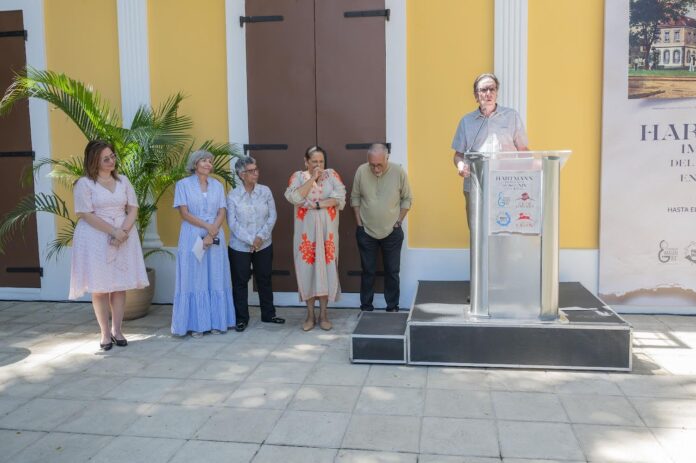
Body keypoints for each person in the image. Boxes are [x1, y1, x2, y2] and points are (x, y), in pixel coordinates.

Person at [69, 140, 149, 351]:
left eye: (112, 156)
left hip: (124, 234)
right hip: (95, 238)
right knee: (101, 287)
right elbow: (86, 214)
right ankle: (104, 333)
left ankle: (117, 330)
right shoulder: (84, 184)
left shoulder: (123, 181)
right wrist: (113, 231)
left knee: (119, 286)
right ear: (94, 160)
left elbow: (133, 208)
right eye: (106, 158)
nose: (111, 161)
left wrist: (123, 231)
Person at [171, 150, 235, 337]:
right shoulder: (183, 185)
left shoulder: (217, 185)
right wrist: (207, 227)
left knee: (215, 275)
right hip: (192, 234)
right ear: (195, 164)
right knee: (195, 277)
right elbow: (184, 213)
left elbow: (222, 211)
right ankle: (197, 324)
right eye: (204, 161)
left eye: (210, 161)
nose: (208, 164)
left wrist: (213, 229)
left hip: (215, 235)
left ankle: (217, 322)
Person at [452, 73, 528, 225]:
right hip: (476, 185)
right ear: (476, 94)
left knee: (506, 229)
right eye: (484, 89)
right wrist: (461, 166)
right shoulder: (467, 121)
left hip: (507, 185)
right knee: (478, 230)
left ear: (496, 93)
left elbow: (524, 151)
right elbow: (458, 155)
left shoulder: (511, 116)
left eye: (492, 89)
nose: (488, 93)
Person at [285, 146, 346, 331]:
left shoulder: (332, 175)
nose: (318, 165)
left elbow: (339, 198)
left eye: (321, 161)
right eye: (314, 162)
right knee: (308, 271)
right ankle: (310, 314)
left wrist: (317, 204)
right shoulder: (297, 177)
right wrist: (312, 179)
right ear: (306, 161)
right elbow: (294, 197)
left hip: (328, 234)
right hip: (306, 236)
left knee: (327, 270)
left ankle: (324, 314)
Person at [351, 143, 412, 313]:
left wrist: (398, 221)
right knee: (367, 271)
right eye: (372, 165)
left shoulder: (398, 172)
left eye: (380, 164)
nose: (376, 169)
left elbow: (407, 199)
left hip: (392, 231)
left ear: (387, 158)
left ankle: (392, 308)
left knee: (392, 271)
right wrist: (359, 224)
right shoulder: (361, 171)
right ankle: (366, 308)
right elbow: (354, 198)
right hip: (366, 231)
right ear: (367, 160)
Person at [226, 156, 284, 332]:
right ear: (241, 174)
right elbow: (232, 222)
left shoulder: (265, 191)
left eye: (256, 169)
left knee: (264, 278)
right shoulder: (233, 195)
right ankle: (241, 318)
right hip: (239, 246)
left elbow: (272, 216)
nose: (256, 173)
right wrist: (252, 240)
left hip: (264, 244)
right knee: (240, 282)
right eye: (251, 171)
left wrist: (260, 238)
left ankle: (269, 314)